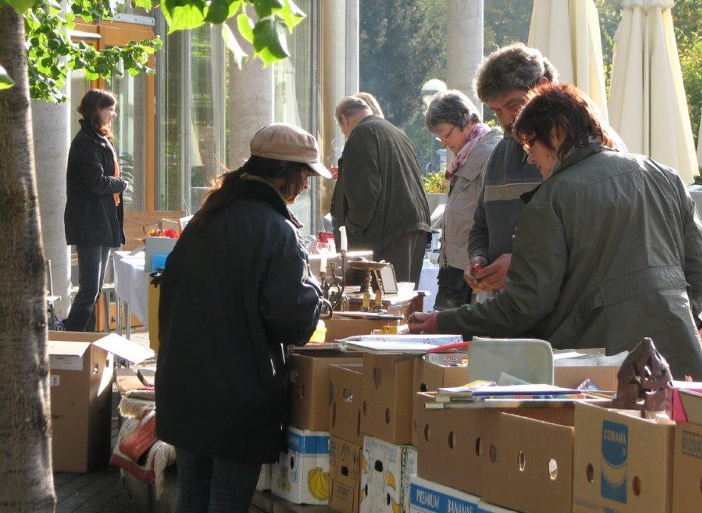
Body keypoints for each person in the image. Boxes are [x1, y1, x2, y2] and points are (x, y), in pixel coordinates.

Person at [409, 83, 702, 381]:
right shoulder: (666, 176)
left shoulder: (551, 198)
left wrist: (444, 320)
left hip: (597, 368)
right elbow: (698, 269)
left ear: (556, 134)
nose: (528, 158)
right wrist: (685, 317)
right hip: (678, 357)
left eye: (530, 145)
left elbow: (524, 306)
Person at [155, 123, 329, 511]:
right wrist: (315, 294)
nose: (304, 186)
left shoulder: (207, 217)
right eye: (303, 175)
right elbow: (293, 322)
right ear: (285, 174)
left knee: (193, 498)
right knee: (228, 503)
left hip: (184, 388)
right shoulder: (276, 229)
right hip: (237, 397)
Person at [464, 43, 556, 297]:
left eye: (514, 105)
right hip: (505, 310)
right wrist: (478, 256)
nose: (506, 120)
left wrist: (520, 265)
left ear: (543, 87)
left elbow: (581, 243)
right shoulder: (499, 155)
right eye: (496, 111)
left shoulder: (573, 152)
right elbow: (480, 226)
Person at [331, 96, 431, 285]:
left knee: (383, 301)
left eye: (342, 128)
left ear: (344, 119)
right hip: (414, 229)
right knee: (403, 298)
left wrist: (352, 239)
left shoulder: (361, 134)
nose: (345, 133)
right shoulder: (397, 133)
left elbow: (364, 195)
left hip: (387, 237)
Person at [424, 90, 502, 309]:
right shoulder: (466, 155)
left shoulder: (490, 151)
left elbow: (492, 216)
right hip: (455, 268)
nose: (445, 143)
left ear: (466, 121)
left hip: (472, 271)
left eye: (446, 134)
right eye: (439, 138)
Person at [63, 89, 127, 332]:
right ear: (96, 111)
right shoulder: (86, 142)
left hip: (98, 221)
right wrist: (122, 183)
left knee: (94, 290)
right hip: (90, 223)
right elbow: (96, 182)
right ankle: (71, 341)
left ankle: (84, 342)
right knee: (90, 289)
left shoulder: (98, 140)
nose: (114, 114)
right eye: (109, 109)